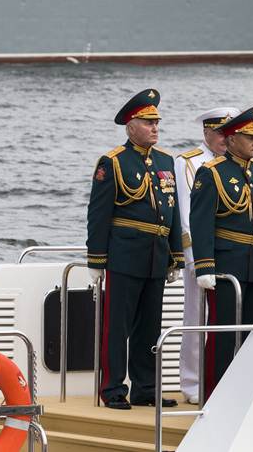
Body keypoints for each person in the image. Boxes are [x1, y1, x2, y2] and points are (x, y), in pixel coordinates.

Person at [86, 89, 184, 409]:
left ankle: (145, 387)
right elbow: (99, 215)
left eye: (157, 122)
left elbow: (172, 210)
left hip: (156, 256)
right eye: (148, 122)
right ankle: (113, 389)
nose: (155, 127)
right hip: (125, 255)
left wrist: (175, 256)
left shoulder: (166, 161)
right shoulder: (113, 162)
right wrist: (96, 260)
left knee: (149, 328)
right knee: (118, 328)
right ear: (130, 126)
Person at [189, 106, 253, 396]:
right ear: (230, 140)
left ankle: (246, 392)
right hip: (227, 266)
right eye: (249, 137)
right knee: (223, 333)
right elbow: (200, 222)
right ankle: (214, 393)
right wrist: (205, 267)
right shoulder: (211, 173)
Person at [174, 107, 239, 405]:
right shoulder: (189, 164)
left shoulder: (237, 164)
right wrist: (196, 259)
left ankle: (226, 379)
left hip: (232, 253)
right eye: (219, 134)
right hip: (202, 254)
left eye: (229, 134)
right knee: (197, 315)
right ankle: (192, 382)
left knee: (229, 319)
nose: (225, 140)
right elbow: (187, 214)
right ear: (206, 133)